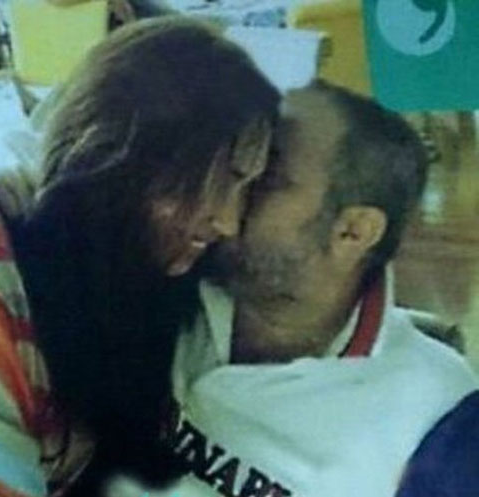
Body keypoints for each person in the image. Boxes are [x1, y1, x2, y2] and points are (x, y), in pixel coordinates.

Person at [0, 17, 279, 497]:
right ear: (125, 154)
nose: (229, 221)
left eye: (247, 188)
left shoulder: (133, 289)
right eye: (224, 176)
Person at [120, 82, 478, 497]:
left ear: (351, 231)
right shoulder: (166, 278)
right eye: (235, 168)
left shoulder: (435, 415)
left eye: (266, 180)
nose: (224, 200)